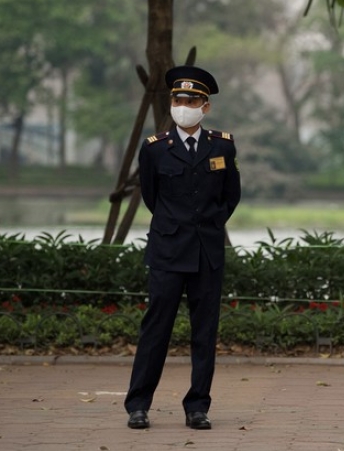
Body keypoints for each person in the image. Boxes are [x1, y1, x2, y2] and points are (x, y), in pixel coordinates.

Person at [124, 65, 241, 431]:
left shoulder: (222, 145)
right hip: (168, 252)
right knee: (155, 329)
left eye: (190, 100)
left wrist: (208, 222)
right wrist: (176, 226)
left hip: (207, 252)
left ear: (205, 107)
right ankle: (138, 405)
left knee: (204, 333)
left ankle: (197, 407)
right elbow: (152, 198)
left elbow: (230, 195)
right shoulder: (155, 148)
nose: (182, 105)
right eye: (177, 99)